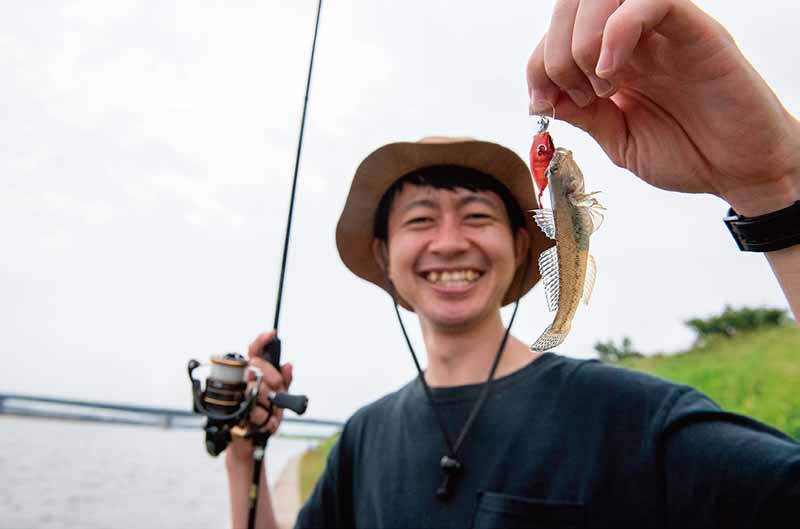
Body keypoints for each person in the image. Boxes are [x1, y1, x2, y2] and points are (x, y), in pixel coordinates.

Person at [227, 1, 800, 527]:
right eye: (420, 219)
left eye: (477, 216)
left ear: (525, 245)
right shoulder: (361, 439)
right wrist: (243, 456)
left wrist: (772, 188)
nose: (449, 242)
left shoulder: (631, 421)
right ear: (383, 255)